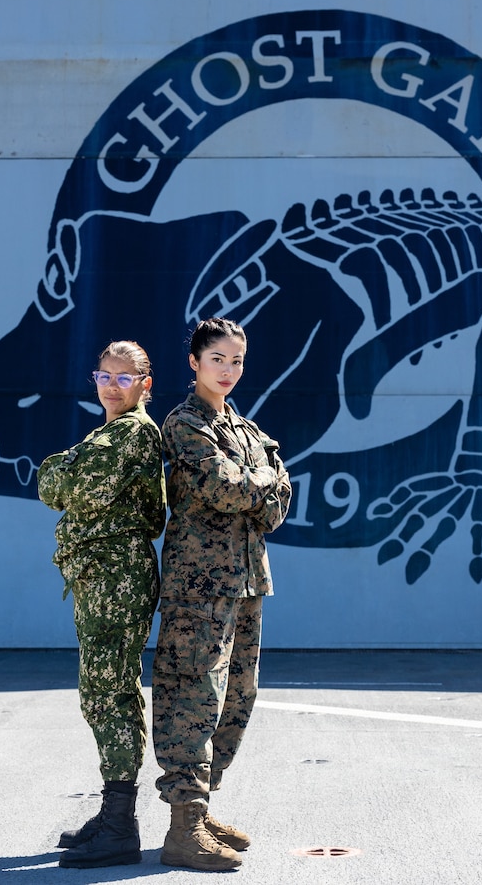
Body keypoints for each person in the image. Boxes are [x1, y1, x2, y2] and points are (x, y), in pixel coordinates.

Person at [152, 317, 291, 871]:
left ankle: (202, 808)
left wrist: (256, 484)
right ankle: (182, 826)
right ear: (194, 363)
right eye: (217, 359)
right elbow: (224, 487)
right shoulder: (185, 423)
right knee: (193, 695)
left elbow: (280, 504)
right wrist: (261, 482)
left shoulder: (246, 429)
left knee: (237, 696)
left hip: (247, 580)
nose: (228, 369)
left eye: (236, 360)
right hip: (199, 585)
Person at [37, 340, 166, 869]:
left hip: (116, 577)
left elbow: (61, 483)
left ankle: (119, 828)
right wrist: (69, 466)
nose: (112, 386)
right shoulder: (109, 434)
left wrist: (61, 465)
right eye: (104, 376)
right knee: (106, 690)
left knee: (108, 693)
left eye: (124, 378)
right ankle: (114, 814)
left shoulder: (131, 433)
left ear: (144, 384)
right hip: (104, 575)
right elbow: (68, 481)